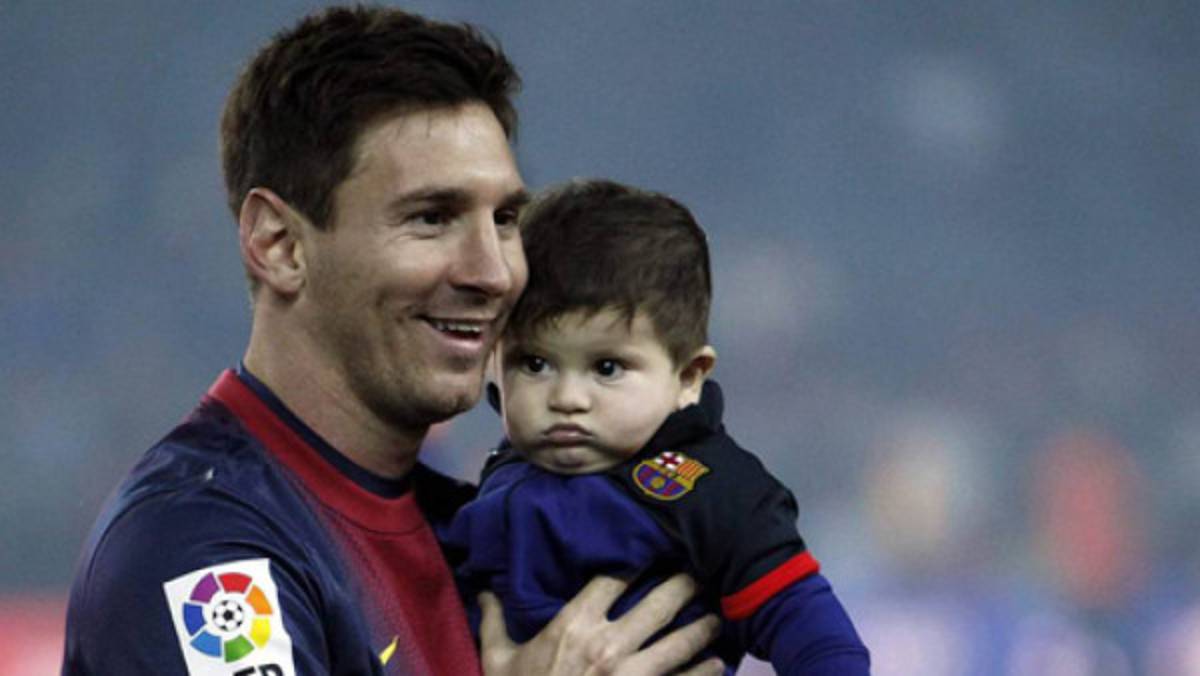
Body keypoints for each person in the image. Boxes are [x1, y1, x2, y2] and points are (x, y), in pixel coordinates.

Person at [61, 7, 723, 675]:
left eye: (504, 219)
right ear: (279, 244)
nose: (493, 272)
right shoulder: (203, 550)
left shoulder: (482, 534)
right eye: (432, 217)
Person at [443, 179, 871, 674]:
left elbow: (823, 644)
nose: (566, 398)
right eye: (535, 364)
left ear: (688, 377)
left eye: (607, 368)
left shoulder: (715, 492)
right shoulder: (493, 480)